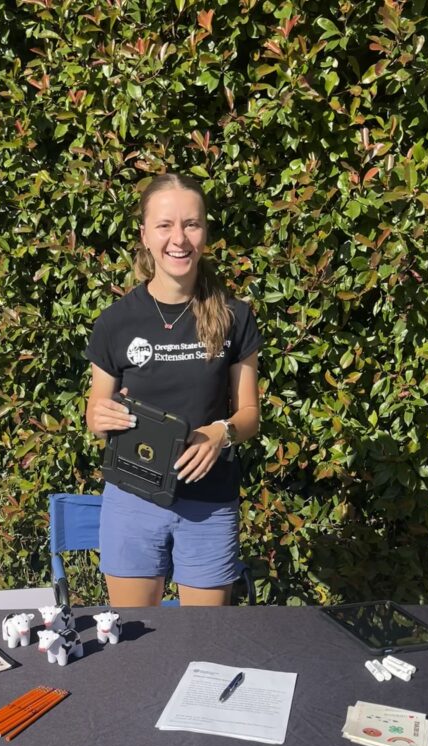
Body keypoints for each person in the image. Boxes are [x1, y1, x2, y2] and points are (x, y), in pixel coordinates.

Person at [85, 172, 262, 607]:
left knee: (203, 645)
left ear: (205, 232)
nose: (178, 238)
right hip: (131, 501)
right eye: (165, 225)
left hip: (209, 504)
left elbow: (249, 416)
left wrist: (219, 433)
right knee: (136, 641)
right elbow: (95, 413)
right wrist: (100, 418)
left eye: (191, 224)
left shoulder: (235, 317)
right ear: (145, 234)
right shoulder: (115, 322)